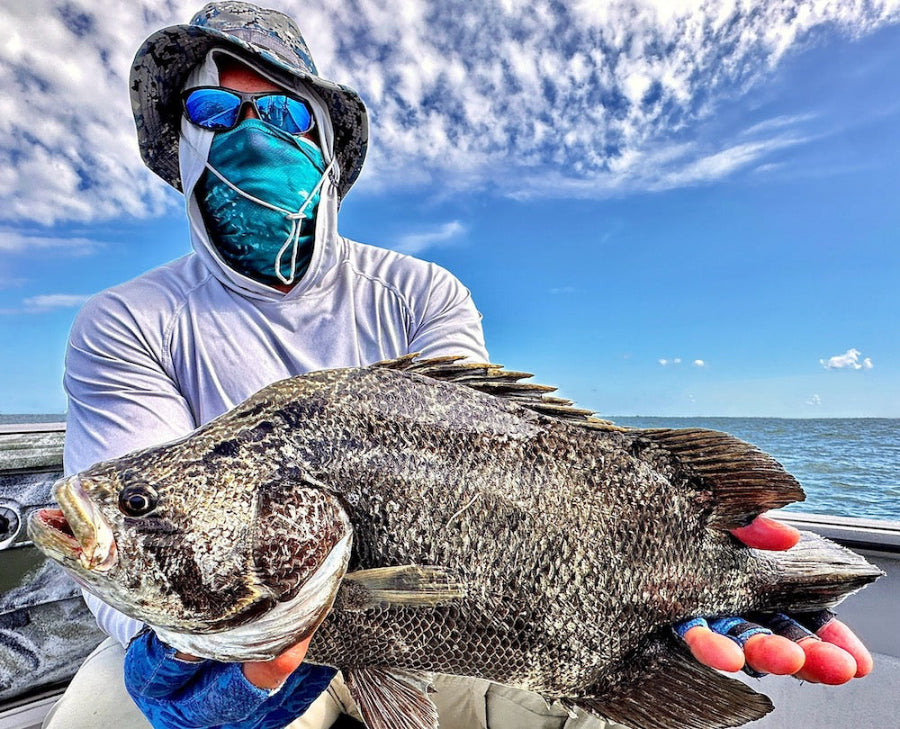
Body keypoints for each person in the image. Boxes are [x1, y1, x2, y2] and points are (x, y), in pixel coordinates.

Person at [42, 3, 872, 729]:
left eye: (286, 117)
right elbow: (147, 572)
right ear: (181, 144)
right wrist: (210, 672)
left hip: (449, 623)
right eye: (217, 110)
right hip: (244, 649)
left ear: (328, 151)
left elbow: (500, 463)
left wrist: (661, 565)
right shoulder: (129, 320)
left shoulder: (418, 289)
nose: (253, 135)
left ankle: (716, 599)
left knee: (621, 703)